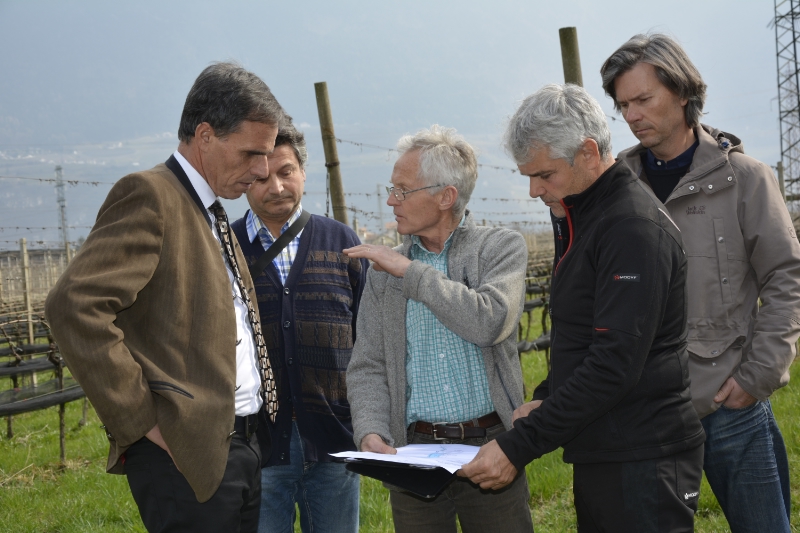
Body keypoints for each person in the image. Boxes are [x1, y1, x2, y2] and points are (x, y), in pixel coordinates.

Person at [44, 62, 286, 533]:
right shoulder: (152, 195)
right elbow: (73, 306)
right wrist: (143, 423)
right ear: (205, 136)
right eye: (251, 153)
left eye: (268, 154)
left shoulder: (208, 208)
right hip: (184, 453)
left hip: (240, 446)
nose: (261, 170)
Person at [460, 84, 706, 533]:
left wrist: (519, 446)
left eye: (545, 175)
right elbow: (584, 333)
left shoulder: (630, 229)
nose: (534, 190)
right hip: (608, 447)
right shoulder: (586, 217)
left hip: (643, 455)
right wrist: (547, 396)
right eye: (528, 176)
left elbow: (614, 363)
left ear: (589, 153)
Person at [600, 33, 800, 532]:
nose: (632, 115)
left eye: (644, 99)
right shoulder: (615, 188)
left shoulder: (747, 179)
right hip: (644, 412)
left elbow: (786, 277)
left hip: (731, 406)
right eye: (623, 105)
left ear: (683, 91)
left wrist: (757, 376)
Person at [345, 125, 534, 533]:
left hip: (492, 447)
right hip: (413, 456)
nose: (391, 200)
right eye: (392, 189)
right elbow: (368, 364)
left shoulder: (499, 248)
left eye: (402, 190)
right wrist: (371, 430)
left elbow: (489, 321)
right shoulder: (382, 273)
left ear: (446, 196)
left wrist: (411, 273)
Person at [230, 122, 367, 533]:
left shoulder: (342, 242)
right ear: (245, 181)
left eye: (286, 172)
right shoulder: (224, 249)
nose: (276, 187)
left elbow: (367, 339)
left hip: (335, 439)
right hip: (257, 444)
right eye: (261, 177)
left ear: (303, 173)